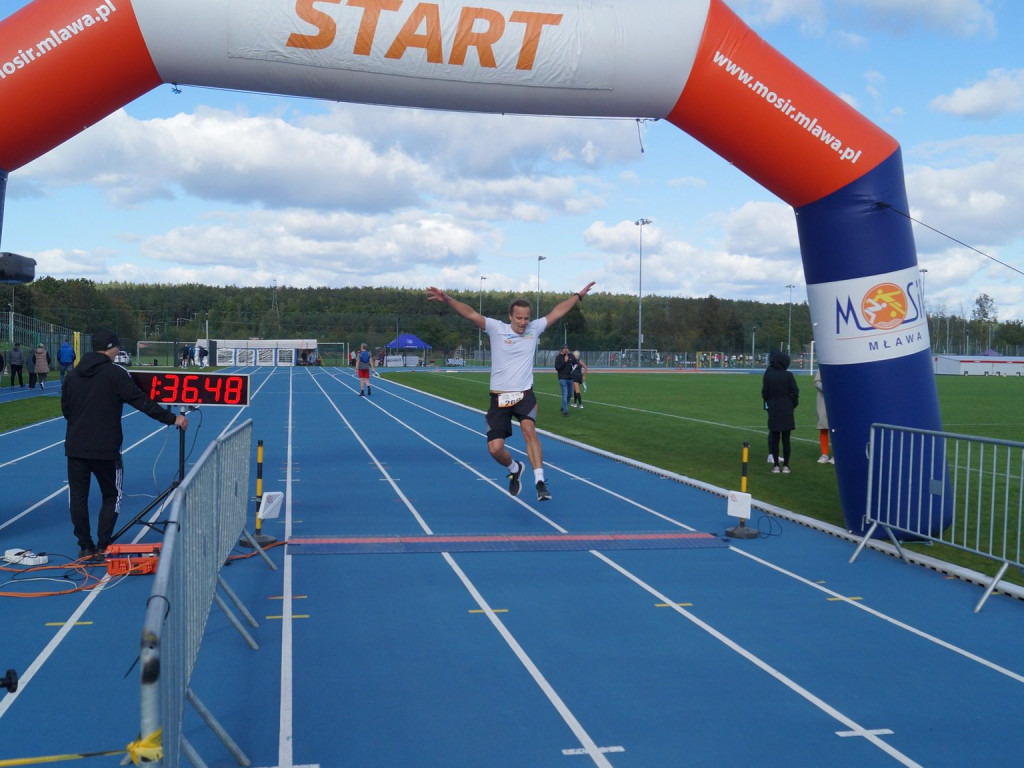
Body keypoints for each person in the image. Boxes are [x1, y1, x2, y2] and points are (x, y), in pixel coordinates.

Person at [427, 281, 595, 501]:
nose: (523, 322)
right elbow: (470, 314)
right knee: (495, 449)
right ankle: (515, 468)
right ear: (510, 316)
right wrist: (447, 299)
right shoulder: (496, 329)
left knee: (528, 430)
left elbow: (558, 311)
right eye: (519, 318)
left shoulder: (534, 329)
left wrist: (578, 296)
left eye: (526, 318)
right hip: (499, 398)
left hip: (524, 394)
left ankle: (540, 481)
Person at [62, 329, 189, 561]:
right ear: (112, 347)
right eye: (117, 347)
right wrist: (172, 418)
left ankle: (85, 546)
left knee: (78, 497)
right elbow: (141, 401)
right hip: (106, 449)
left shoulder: (73, 375)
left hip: (75, 447)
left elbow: (66, 410)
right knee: (112, 494)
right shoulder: (115, 373)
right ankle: (103, 545)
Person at [761, 349, 799, 474]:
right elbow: (795, 392)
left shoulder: (769, 375)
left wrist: (770, 403)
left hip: (774, 408)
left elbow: (764, 393)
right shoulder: (789, 375)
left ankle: (776, 465)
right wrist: (792, 404)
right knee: (786, 438)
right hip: (787, 408)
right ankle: (786, 465)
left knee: (775, 437)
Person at [814, 369, 834, 464]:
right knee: (823, 426)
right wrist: (827, 388)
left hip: (838, 399)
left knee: (835, 428)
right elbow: (817, 382)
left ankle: (836, 455)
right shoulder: (823, 366)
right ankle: (824, 454)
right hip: (823, 399)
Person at [554, 345, 573, 416]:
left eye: (567, 348)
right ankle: (565, 411)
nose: (566, 350)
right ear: (561, 350)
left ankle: (563, 407)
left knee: (570, 394)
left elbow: (575, 363)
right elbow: (557, 368)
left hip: (570, 378)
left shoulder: (570, 356)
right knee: (565, 394)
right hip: (562, 378)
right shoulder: (558, 357)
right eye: (564, 348)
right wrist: (564, 361)